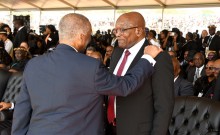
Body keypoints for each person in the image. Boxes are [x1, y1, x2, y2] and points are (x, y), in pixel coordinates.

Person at [11, 13, 162, 135]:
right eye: (89, 35)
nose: (90, 39)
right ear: (82, 36)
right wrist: (147, 58)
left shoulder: (34, 65)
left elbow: (22, 109)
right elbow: (125, 86)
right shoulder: (91, 66)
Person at [107, 12, 174, 135]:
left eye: (122, 30)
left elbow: (164, 105)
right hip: (112, 127)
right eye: (115, 30)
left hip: (139, 130)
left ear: (138, 31)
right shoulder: (117, 53)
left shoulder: (159, 57)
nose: (117, 34)